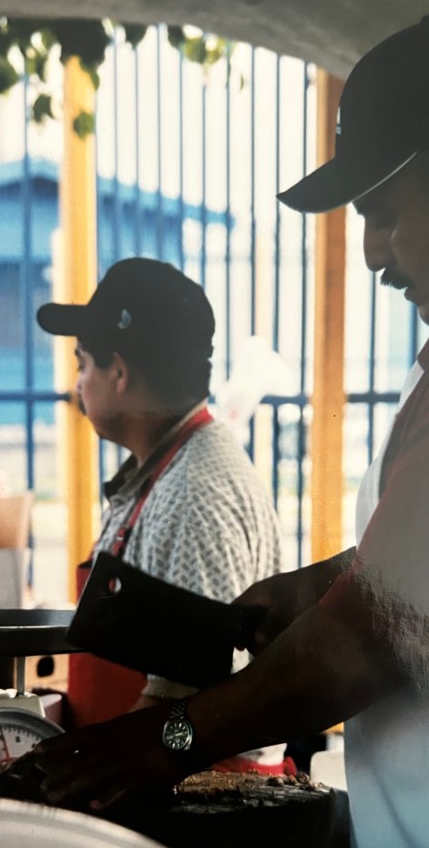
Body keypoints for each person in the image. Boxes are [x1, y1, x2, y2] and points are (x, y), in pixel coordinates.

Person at [25, 17, 429, 848]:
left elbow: (394, 626)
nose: (373, 250)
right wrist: (314, 587)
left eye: (384, 211)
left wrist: (172, 736)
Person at [37, 257, 291, 774]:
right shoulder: (163, 471)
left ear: (121, 373)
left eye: (83, 364)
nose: (78, 384)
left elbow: (188, 705)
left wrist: (78, 775)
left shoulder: (193, 495)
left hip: (193, 799)